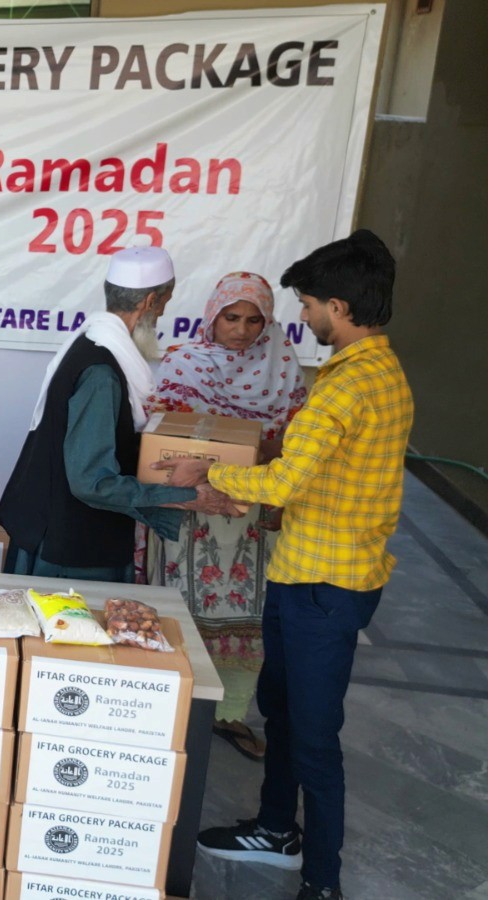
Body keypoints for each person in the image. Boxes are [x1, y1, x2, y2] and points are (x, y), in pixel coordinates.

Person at [160, 231, 413, 900]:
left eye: (305, 305)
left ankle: (321, 879)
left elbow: (284, 482)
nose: (300, 319)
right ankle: (275, 828)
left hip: (324, 584)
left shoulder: (342, 388)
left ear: (337, 304)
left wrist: (206, 470)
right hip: (317, 568)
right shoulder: (383, 373)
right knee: (285, 709)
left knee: (314, 735)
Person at [0, 245, 235, 583]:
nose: (162, 316)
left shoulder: (90, 343)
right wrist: (187, 497)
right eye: (163, 306)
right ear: (150, 302)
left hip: (62, 534)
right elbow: (92, 482)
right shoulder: (101, 373)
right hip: (71, 550)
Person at [143, 272, 308, 761]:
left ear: (268, 322)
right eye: (230, 317)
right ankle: (167, 707)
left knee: (246, 613)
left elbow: (295, 443)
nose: (240, 329)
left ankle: (229, 713)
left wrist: (271, 487)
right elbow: (158, 435)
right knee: (177, 606)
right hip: (189, 513)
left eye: (253, 319)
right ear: (212, 316)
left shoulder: (282, 367)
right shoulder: (182, 362)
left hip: (250, 515)